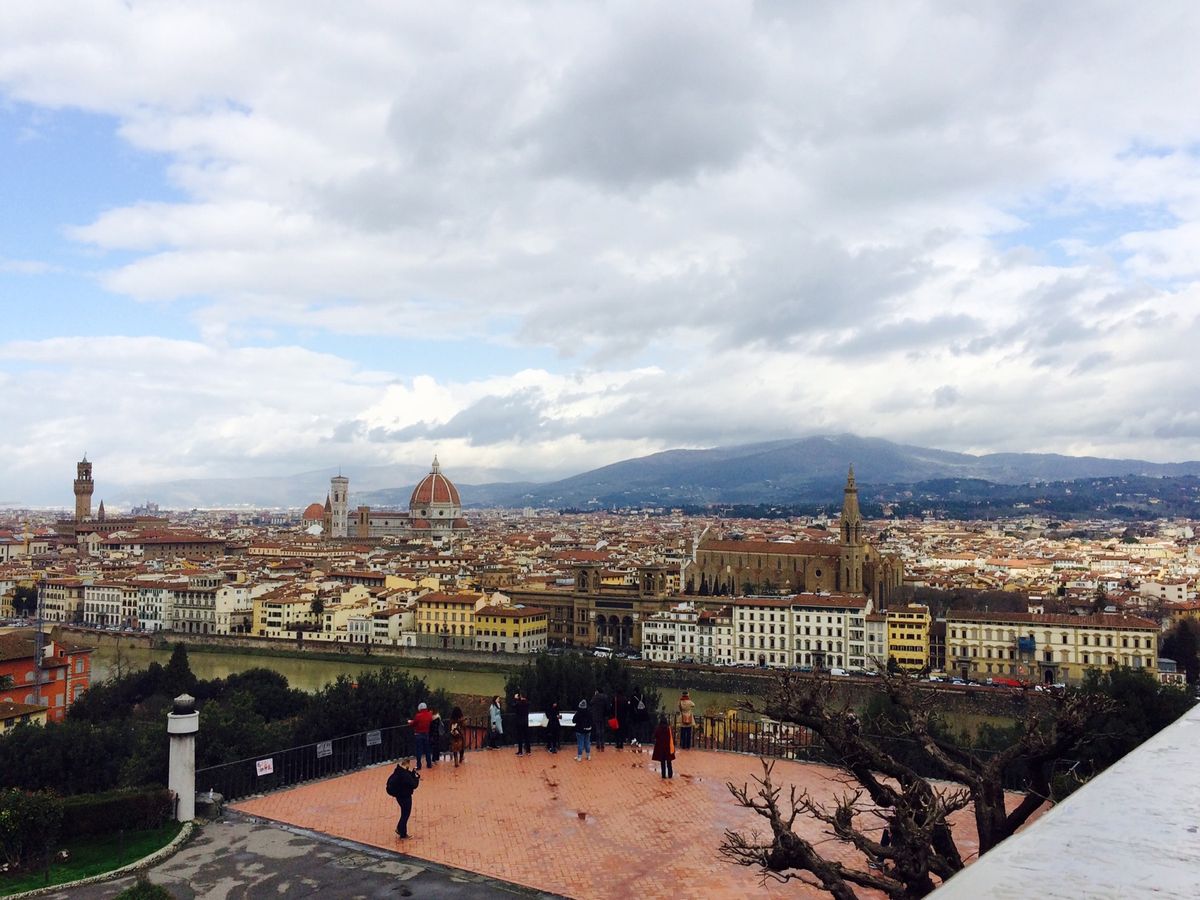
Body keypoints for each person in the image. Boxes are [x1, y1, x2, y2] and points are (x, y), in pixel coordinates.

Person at [387, 757, 420, 839]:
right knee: (405, 815)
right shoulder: (404, 775)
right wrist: (416, 778)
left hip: (399, 796)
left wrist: (412, 774)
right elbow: (414, 785)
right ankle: (402, 833)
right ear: (407, 764)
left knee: (404, 813)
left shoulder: (398, 771)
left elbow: (408, 777)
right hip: (405, 797)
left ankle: (400, 830)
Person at [409, 702, 435, 770]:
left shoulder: (418, 716)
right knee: (427, 750)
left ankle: (419, 765)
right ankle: (429, 764)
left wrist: (410, 722)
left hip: (418, 734)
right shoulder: (429, 715)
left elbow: (413, 723)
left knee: (419, 751)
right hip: (426, 734)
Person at [652, 714, 675, 779]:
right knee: (669, 762)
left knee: (662, 762)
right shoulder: (668, 729)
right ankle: (670, 774)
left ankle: (663, 775)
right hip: (668, 748)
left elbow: (655, 736)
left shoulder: (658, 728)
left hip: (660, 748)